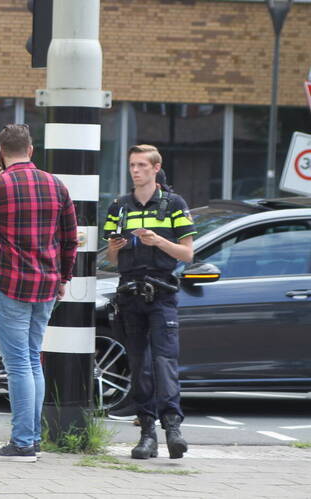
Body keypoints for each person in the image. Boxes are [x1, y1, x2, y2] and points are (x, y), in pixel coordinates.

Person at [0, 124, 77, 463]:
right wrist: (63, 278)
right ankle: (33, 438)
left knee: (18, 366)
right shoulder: (57, 185)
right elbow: (69, 238)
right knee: (32, 359)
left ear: (0, 151)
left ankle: (23, 443)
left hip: (9, 284)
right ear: (31, 149)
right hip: (47, 285)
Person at [104, 145, 195, 460]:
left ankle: (173, 429)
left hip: (162, 295)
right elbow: (111, 256)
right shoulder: (119, 206)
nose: (135, 170)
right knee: (140, 367)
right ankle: (147, 435)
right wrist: (116, 246)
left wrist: (158, 241)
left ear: (156, 168)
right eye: (132, 165)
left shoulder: (174, 204)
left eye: (141, 165)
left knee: (164, 363)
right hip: (130, 295)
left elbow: (187, 253)